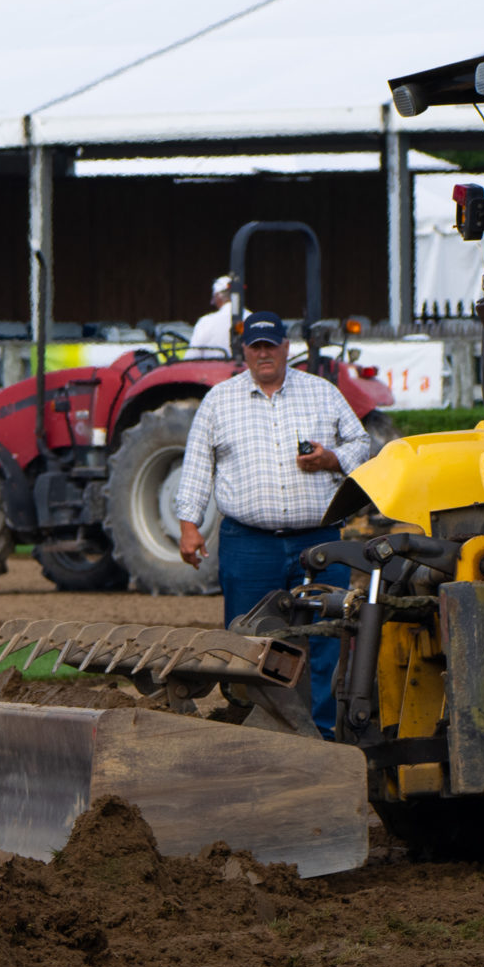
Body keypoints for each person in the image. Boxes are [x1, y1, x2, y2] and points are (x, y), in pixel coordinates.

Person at [172, 311, 373, 735]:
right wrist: (189, 524)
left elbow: (361, 442)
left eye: (271, 345)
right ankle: (254, 731)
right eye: (254, 346)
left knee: (325, 639)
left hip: (318, 542)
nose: (263, 353)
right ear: (243, 351)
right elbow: (196, 465)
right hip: (249, 543)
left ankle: (322, 733)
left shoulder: (322, 393)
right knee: (249, 642)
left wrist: (332, 459)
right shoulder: (219, 400)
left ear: (286, 348)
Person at [185, 276, 238, 359]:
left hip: (213, 371)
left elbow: (191, 358)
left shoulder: (206, 322)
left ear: (218, 296)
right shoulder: (251, 318)